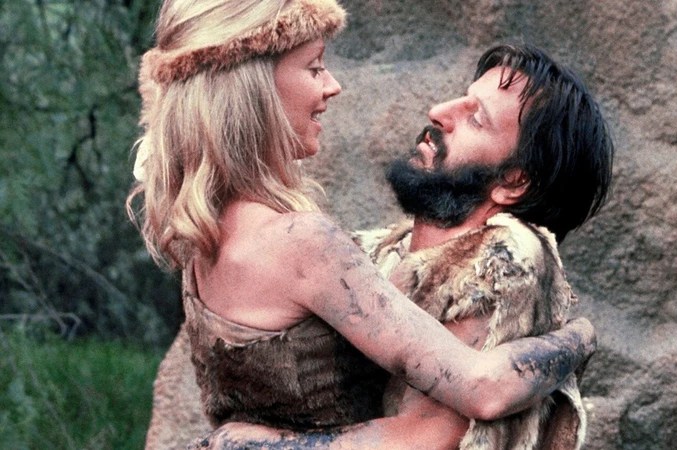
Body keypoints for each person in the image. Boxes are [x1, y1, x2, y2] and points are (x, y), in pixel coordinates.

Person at [130, 0, 598, 448]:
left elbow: (444, 423)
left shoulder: (206, 234)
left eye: (475, 116)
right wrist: (580, 337)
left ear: (515, 181)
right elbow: (478, 390)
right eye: (315, 67)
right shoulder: (303, 243)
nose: (332, 85)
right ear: (256, 89)